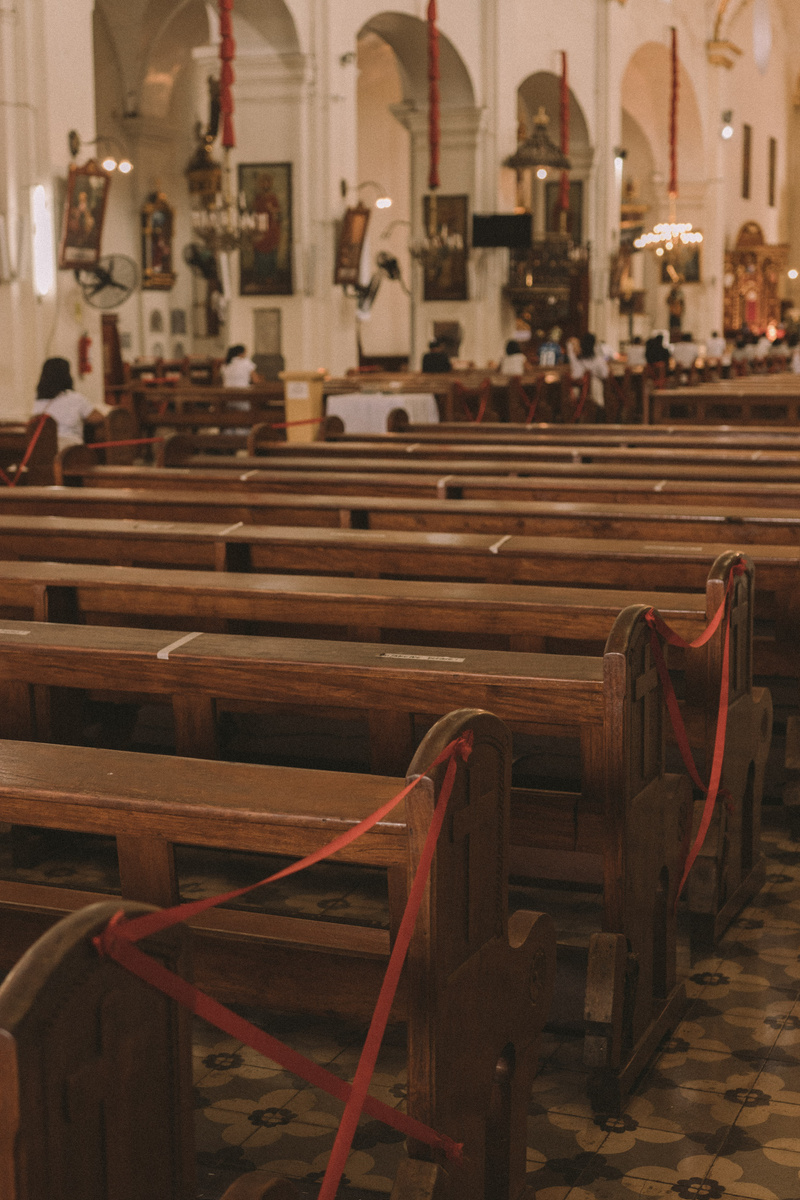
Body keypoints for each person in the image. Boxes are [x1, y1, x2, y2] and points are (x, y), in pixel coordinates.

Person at [33, 357, 108, 451]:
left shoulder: (39, 400)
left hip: (45, 449)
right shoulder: (74, 398)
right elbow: (99, 418)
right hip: (70, 451)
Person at [567, 333, 608, 408]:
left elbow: (575, 375)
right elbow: (605, 374)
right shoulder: (598, 360)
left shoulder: (577, 360)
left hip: (579, 393)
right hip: (595, 392)